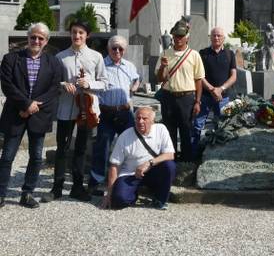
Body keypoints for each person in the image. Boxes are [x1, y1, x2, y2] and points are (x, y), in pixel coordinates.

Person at [42, 19, 108, 203]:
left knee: (80, 148)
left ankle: (78, 187)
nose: (77, 36)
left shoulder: (96, 57)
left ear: (87, 35)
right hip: (66, 108)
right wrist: (63, 84)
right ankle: (57, 188)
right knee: (62, 148)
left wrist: (89, 84)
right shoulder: (60, 57)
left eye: (80, 32)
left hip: (87, 109)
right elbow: (52, 81)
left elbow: (104, 82)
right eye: (74, 32)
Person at [0, 23, 62, 208]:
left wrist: (33, 107)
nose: (36, 41)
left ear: (46, 41)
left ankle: (27, 194)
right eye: (33, 37)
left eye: (40, 38)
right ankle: (1, 193)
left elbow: (54, 88)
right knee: (7, 156)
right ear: (27, 38)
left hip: (39, 115)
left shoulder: (53, 62)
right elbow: (7, 85)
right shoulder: (11, 58)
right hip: (15, 113)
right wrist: (26, 104)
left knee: (36, 157)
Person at [88, 35, 140, 195]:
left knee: (132, 145)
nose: (117, 51)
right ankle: (96, 182)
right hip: (107, 112)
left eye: (121, 48)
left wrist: (135, 86)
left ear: (124, 50)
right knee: (102, 145)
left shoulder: (129, 66)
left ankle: (130, 179)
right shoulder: (101, 64)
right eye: (114, 48)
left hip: (125, 112)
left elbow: (137, 78)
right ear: (108, 49)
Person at [100, 107, 176, 210]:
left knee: (169, 166)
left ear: (152, 121)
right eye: (138, 118)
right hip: (130, 174)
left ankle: (160, 199)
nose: (140, 121)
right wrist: (109, 193)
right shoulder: (125, 136)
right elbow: (114, 165)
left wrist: (149, 163)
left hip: (152, 170)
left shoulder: (161, 129)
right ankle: (132, 195)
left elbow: (170, 154)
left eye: (144, 119)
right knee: (118, 200)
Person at [155, 20, 204, 162]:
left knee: (186, 131)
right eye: (176, 35)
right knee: (169, 131)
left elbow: (198, 80)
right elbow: (159, 79)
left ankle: (187, 162)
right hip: (168, 97)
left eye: (181, 36)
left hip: (187, 98)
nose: (178, 39)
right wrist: (163, 67)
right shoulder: (165, 54)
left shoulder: (194, 55)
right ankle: (170, 162)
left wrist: (197, 101)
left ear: (187, 37)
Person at [192, 27, 236, 156]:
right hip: (205, 96)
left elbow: (233, 76)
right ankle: (193, 155)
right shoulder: (203, 53)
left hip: (223, 97)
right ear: (210, 37)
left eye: (219, 36)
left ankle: (218, 154)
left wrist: (220, 89)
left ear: (223, 38)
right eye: (214, 35)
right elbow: (199, 76)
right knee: (197, 126)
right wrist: (212, 89)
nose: (216, 38)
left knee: (222, 126)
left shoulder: (229, 54)